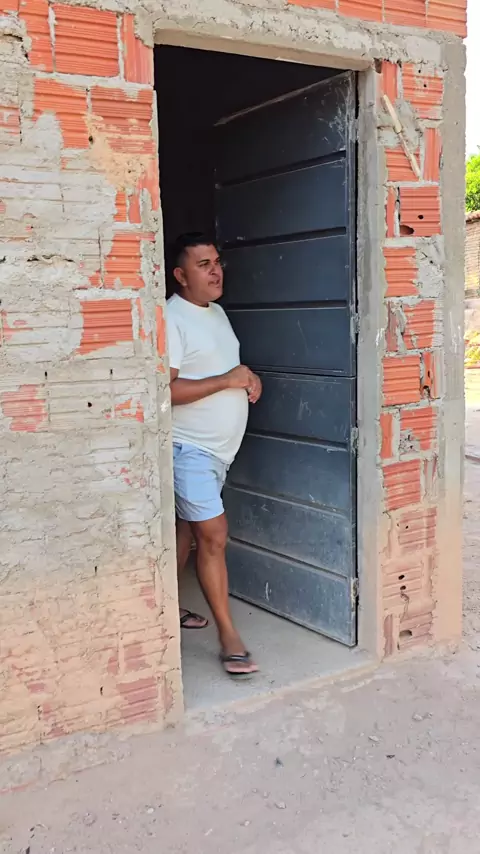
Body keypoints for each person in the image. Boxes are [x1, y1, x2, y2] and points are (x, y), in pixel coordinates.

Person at [166, 232, 262, 677]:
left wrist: (248, 379)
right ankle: (229, 638)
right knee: (213, 534)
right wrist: (227, 381)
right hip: (190, 448)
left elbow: (223, 368)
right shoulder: (172, 318)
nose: (215, 270)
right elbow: (164, 389)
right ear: (181, 275)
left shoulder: (217, 313)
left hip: (218, 453)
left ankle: (165, 609)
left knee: (185, 530)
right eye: (203, 265)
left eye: (217, 262)